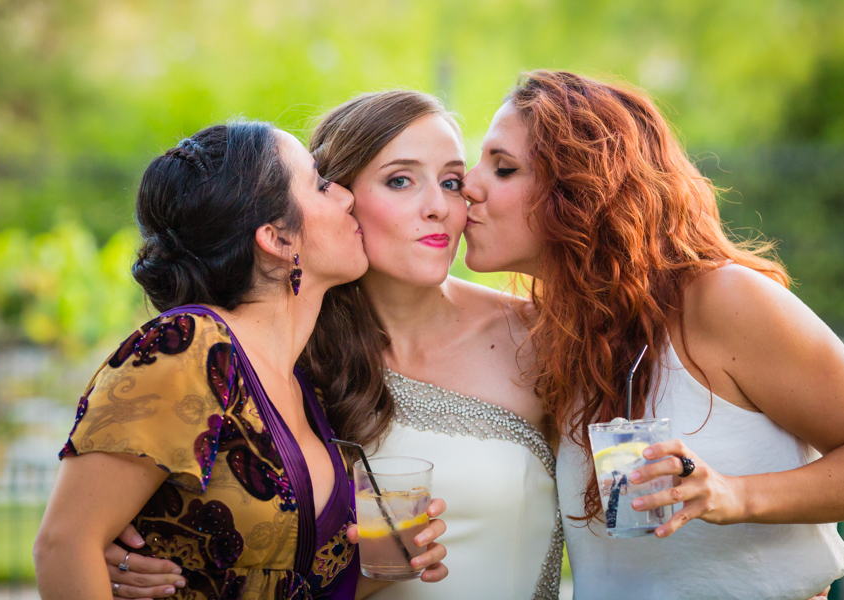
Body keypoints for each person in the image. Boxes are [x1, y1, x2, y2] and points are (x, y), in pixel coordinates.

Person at [106, 91, 562, 600]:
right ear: (333, 199)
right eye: (400, 180)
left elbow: (621, 479)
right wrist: (125, 554)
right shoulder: (282, 357)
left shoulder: (540, 336)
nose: (439, 208)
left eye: (452, 182)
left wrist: (672, 475)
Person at [459, 70, 844, 599]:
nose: (469, 185)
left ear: (584, 187)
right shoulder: (561, 335)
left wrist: (732, 496)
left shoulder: (720, 300)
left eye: (504, 168)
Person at [34, 120, 447, 600]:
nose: (346, 197)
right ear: (277, 238)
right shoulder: (188, 346)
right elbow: (64, 544)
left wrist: (395, 560)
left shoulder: (303, 384)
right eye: (318, 184)